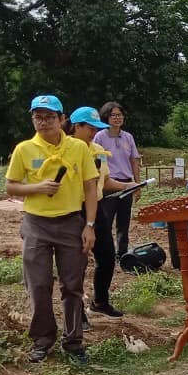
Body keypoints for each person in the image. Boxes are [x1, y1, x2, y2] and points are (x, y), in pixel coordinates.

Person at [7, 95, 101, 365]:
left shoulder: (78, 148)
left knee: (72, 285)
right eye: (38, 117)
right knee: (38, 285)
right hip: (36, 223)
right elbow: (11, 186)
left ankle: (73, 342)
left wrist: (90, 225)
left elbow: (90, 187)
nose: (44, 122)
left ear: (62, 119)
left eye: (50, 117)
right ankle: (43, 340)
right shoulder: (25, 149)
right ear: (33, 119)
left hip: (71, 222)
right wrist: (37, 188)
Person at [71, 107, 140, 320]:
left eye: (96, 129)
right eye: (90, 128)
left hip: (97, 206)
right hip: (74, 209)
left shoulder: (98, 150)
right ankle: (76, 312)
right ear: (76, 127)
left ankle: (100, 301)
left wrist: (129, 185)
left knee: (108, 257)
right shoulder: (67, 150)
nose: (94, 133)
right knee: (77, 262)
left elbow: (106, 181)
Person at [94, 101, 141, 257]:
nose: (117, 118)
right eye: (113, 115)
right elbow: (96, 162)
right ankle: (105, 252)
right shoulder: (100, 137)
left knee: (124, 221)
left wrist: (137, 183)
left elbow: (134, 160)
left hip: (127, 183)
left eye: (119, 115)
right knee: (106, 221)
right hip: (109, 184)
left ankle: (122, 253)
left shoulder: (128, 137)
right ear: (106, 118)